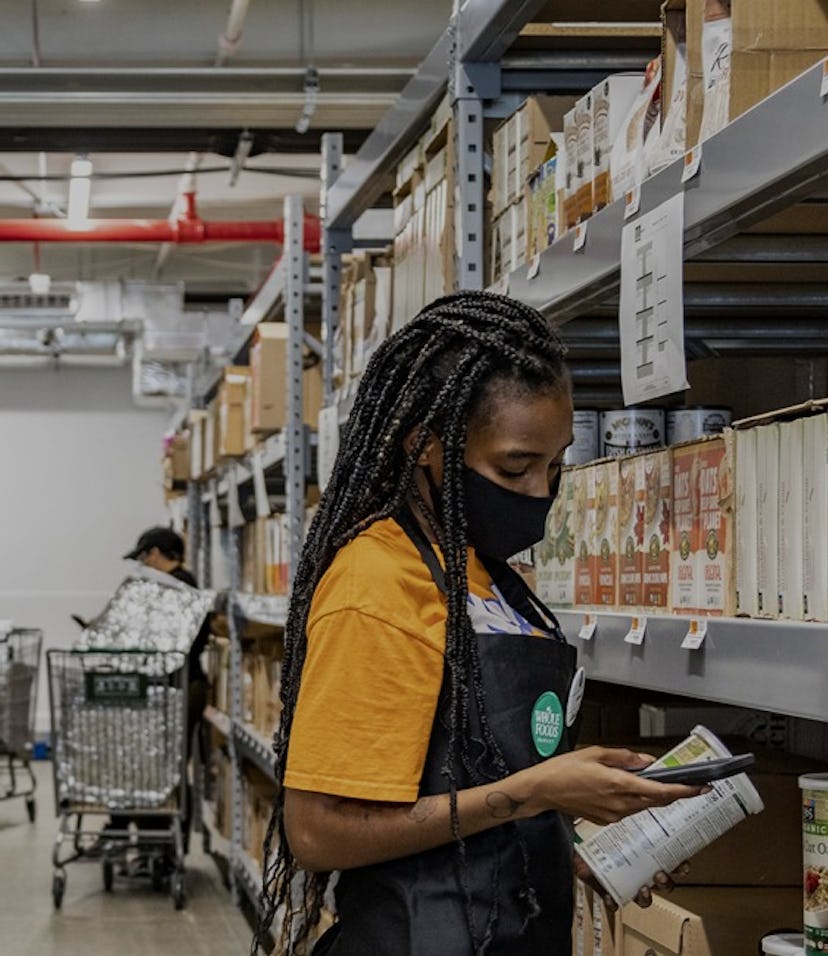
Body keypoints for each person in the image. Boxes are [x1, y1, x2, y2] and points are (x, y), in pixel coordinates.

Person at [254, 292, 706, 955]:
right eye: (514, 467)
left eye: (555, 467)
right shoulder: (378, 584)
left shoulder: (493, 583)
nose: (538, 495)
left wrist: (595, 838)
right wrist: (533, 794)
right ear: (426, 444)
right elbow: (319, 832)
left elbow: (482, 782)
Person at [111, 526, 210, 853]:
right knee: (161, 763)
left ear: (154, 553)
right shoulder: (180, 585)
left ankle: (165, 844)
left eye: (143, 557)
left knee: (166, 766)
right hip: (172, 688)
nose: (143, 564)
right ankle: (155, 840)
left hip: (180, 688)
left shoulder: (178, 586)